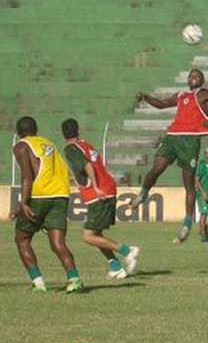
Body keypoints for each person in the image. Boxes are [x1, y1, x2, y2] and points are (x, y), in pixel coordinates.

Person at [130, 69, 208, 242]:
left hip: (190, 141)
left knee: (188, 184)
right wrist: (146, 97)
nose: (193, 77)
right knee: (156, 168)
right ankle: (143, 192)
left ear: (202, 79)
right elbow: (161, 104)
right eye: (190, 76)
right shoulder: (182, 95)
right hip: (173, 137)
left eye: (196, 75)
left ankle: (187, 224)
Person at [10, 116, 84, 293]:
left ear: (18, 132)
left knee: (22, 239)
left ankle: (38, 282)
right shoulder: (48, 143)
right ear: (36, 129)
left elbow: (27, 175)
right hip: (60, 194)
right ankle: (74, 279)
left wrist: (24, 203)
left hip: (40, 195)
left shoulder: (21, 145)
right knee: (58, 243)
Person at [61, 118, 140, 279]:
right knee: (96, 235)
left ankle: (127, 251)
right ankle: (115, 266)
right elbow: (91, 167)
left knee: (88, 236)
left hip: (99, 193)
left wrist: (96, 188)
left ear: (63, 134)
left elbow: (87, 166)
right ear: (78, 130)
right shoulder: (86, 145)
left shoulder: (70, 148)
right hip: (107, 188)